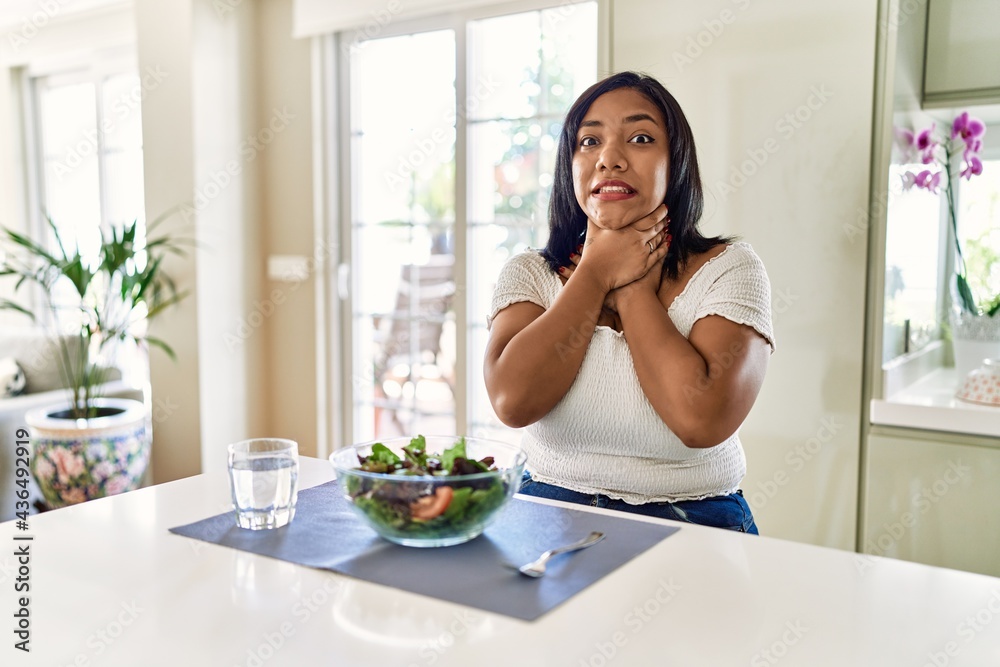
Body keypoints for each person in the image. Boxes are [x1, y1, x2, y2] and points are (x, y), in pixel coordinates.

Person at [483, 71, 774, 534]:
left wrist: (631, 285)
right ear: (570, 165)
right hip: (546, 510)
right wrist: (596, 273)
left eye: (639, 138)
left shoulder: (731, 269)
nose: (609, 159)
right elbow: (513, 402)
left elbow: (699, 421)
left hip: (695, 518)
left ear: (674, 162)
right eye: (589, 142)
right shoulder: (530, 273)